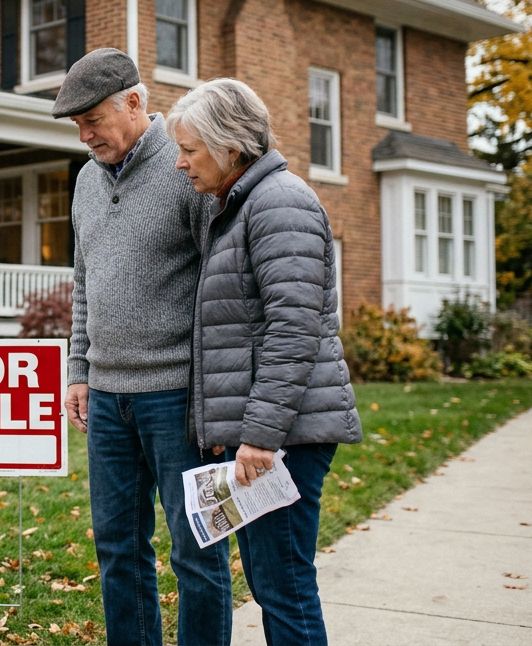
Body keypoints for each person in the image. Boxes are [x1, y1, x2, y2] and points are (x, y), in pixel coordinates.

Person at [168, 78, 361, 646]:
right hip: (268, 436)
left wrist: (258, 437)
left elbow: (294, 330)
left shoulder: (280, 202)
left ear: (230, 147)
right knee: (273, 581)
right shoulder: (239, 207)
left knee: (284, 586)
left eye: (189, 150)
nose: (179, 164)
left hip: (283, 440)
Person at [54, 48, 232, 646]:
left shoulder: (188, 170)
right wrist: (79, 368)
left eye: (93, 120)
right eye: (76, 125)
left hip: (178, 398)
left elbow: (223, 285)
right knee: (117, 550)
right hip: (106, 400)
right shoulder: (83, 182)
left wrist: (215, 391)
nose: (85, 136)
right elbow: (84, 283)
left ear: (134, 102)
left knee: (198, 549)